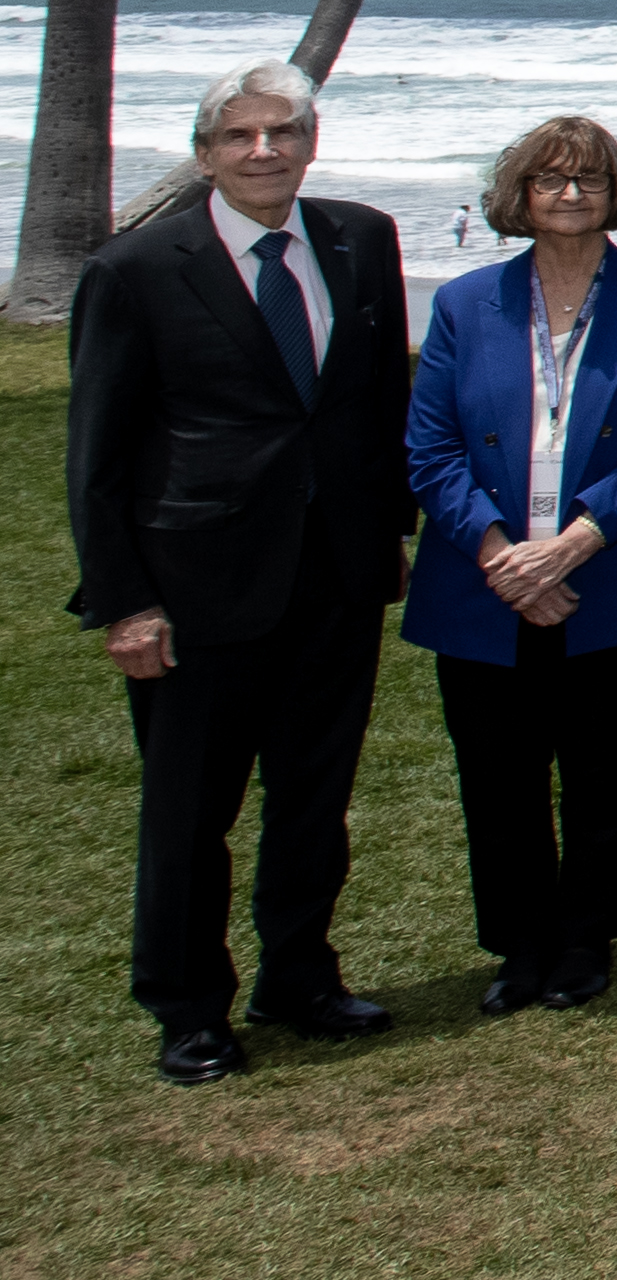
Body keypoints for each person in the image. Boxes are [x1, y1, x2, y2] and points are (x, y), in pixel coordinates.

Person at [68, 62, 415, 1084]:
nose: (264, 151)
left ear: (311, 142)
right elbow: (98, 457)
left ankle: (299, 977)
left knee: (314, 796)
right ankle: (186, 1005)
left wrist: (386, 531)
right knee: (191, 810)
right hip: (199, 585)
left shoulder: (361, 239)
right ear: (206, 152)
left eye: (283, 132)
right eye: (241, 136)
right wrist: (125, 599)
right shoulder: (135, 269)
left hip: (337, 575)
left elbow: (374, 400)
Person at [401, 117, 617, 1016]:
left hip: (608, 570)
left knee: (603, 762)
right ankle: (519, 941)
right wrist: (504, 558)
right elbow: (430, 448)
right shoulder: (466, 303)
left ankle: (585, 938)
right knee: (497, 772)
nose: (570, 193)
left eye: (589, 178)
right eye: (551, 179)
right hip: (483, 578)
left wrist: (575, 542)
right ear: (519, 196)